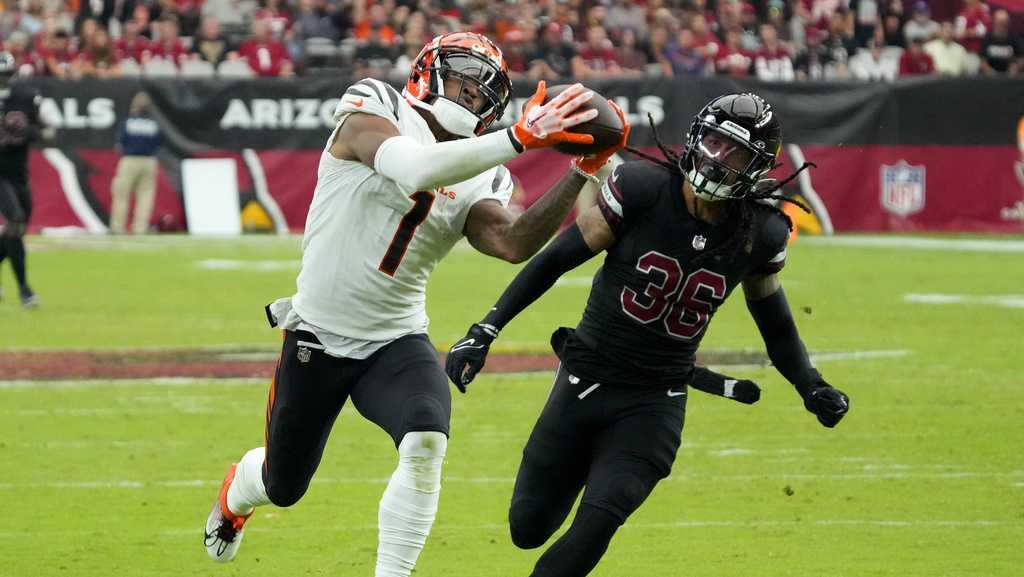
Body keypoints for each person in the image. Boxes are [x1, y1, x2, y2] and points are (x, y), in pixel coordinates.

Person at [202, 31, 630, 577]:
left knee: (427, 438)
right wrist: (519, 138)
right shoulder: (373, 105)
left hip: (395, 338)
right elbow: (414, 168)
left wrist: (580, 172)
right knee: (283, 486)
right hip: (319, 333)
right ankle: (239, 491)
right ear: (427, 73)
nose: (469, 97)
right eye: (461, 81)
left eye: (482, 94)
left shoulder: (485, 169)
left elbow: (513, 242)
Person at [446, 93, 851, 577]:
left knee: (597, 524)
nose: (719, 158)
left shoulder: (759, 231)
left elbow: (776, 323)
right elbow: (554, 261)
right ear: (698, 137)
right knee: (527, 527)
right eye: (716, 142)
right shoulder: (642, 188)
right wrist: (486, 328)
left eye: (736, 152)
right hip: (585, 379)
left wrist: (812, 384)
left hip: (656, 400)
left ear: (757, 167)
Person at [0, 52, 46, 307]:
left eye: (6, 76)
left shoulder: (25, 97)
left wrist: (28, 130)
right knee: (15, 221)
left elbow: (43, 130)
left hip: (19, 173)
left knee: (17, 231)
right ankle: (25, 290)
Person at [110, 93, 161, 234]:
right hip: (149, 161)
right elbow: (158, 143)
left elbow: (119, 145)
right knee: (145, 196)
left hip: (130, 160)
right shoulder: (153, 124)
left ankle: (118, 227)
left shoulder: (128, 122)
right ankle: (140, 228)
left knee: (121, 194)